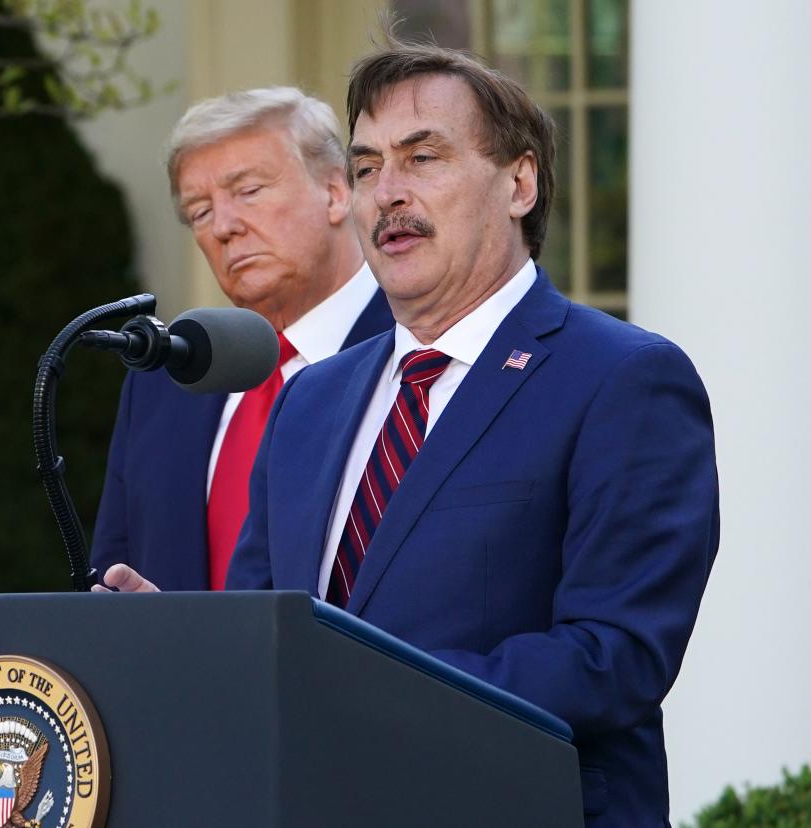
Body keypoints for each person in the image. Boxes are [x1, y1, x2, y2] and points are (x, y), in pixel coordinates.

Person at [99, 43, 718, 826]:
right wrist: (191, 638)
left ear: (519, 183)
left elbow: (614, 659)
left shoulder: (622, 379)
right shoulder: (310, 400)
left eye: (422, 157)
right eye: (365, 168)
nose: (387, 193)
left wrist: (351, 685)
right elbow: (269, 631)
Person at [90, 87, 393, 592]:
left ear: (336, 191)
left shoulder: (420, 352)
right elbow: (111, 576)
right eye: (200, 212)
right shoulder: (163, 381)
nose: (224, 227)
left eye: (249, 190)